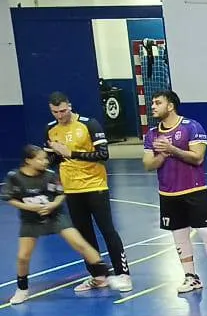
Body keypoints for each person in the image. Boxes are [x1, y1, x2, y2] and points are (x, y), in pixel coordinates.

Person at [143, 90, 207, 296]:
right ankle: (191, 277)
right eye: (153, 103)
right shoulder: (152, 134)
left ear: (170, 106)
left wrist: (172, 149)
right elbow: (148, 164)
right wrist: (162, 155)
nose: (153, 106)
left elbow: (198, 157)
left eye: (158, 103)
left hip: (194, 189)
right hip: (168, 193)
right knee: (179, 236)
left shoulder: (191, 127)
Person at [7, 145, 115, 303]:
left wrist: (52, 205)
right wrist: (30, 208)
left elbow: (60, 194)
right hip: (30, 220)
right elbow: (10, 198)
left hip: (56, 216)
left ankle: (105, 275)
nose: (45, 162)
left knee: (80, 244)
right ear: (28, 161)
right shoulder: (15, 178)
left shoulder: (49, 175)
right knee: (23, 256)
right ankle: (22, 290)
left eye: (45, 159)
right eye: (40, 159)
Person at [44, 92, 130, 290]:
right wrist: (53, 155)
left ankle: (123, 274)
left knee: (107, 230)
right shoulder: (50, 129)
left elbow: (103, 154)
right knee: (84, 234)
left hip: (95, 186)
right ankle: (98, 276)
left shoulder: (89, 124)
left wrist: (71, 153)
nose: (60, 115)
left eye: (63, 111)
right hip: (71, 189)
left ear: (70, 106)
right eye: (55, 112)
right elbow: (52, 160)